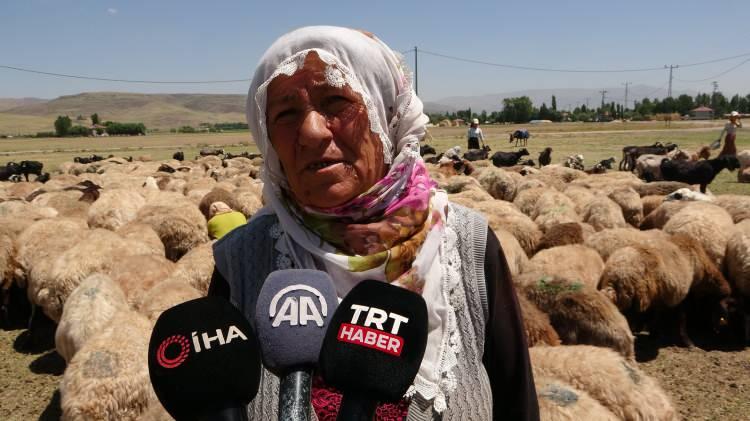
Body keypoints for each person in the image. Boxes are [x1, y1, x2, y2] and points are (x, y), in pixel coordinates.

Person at [208, 26, 538, 421]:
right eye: (285, 113)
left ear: (388, 112)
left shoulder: (468, 246)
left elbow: (517, 403)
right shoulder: (242, 262)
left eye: (335, 100)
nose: (311, 132)